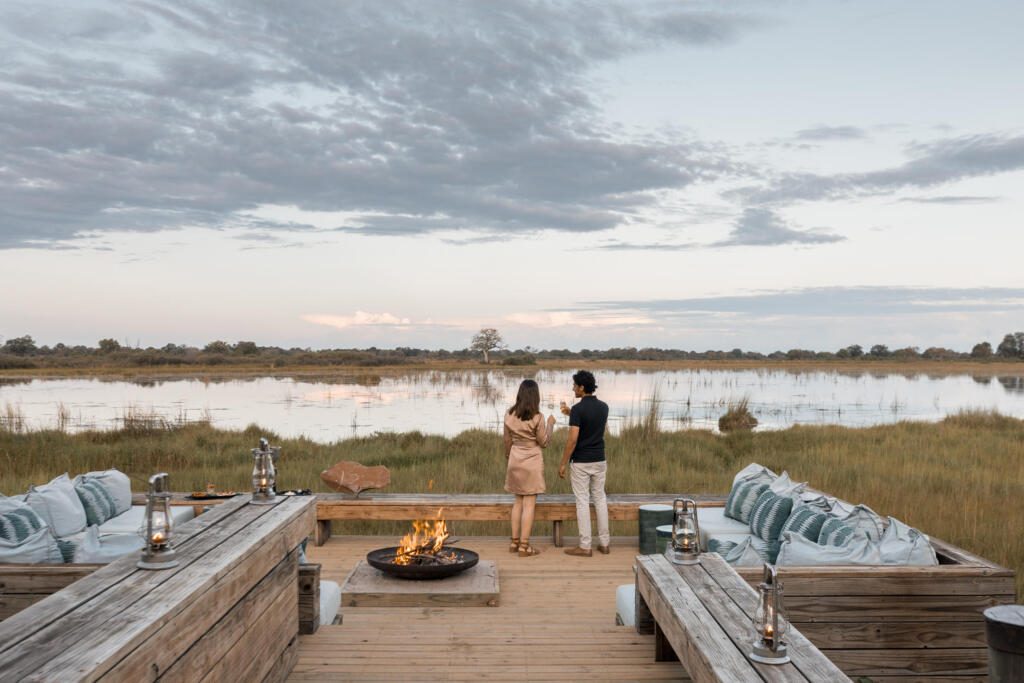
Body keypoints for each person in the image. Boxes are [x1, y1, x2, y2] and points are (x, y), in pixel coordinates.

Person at [558, 370, 610, 557]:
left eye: (574, 385)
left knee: (582, 502)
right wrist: (570, 413)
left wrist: (563, 463)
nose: (573, 388)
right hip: (600, 459)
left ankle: (585, 546)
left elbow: (572, 440)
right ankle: (604, 544)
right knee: (600, 499)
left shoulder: (578, 410)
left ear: (581, 387)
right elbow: (594, 427)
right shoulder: (604, 407)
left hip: (581, 461)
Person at [504, 379, 556, 557]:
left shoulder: (509, 414)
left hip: (515, 459)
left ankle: (514, 542)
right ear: (535, 396)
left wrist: (510, 459)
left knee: (517, 502)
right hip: (532, 461)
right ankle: (524, 547)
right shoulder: (538, 417)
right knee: (529, 504)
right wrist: (550, 425)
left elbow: (507, 442)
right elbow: (544, 442)